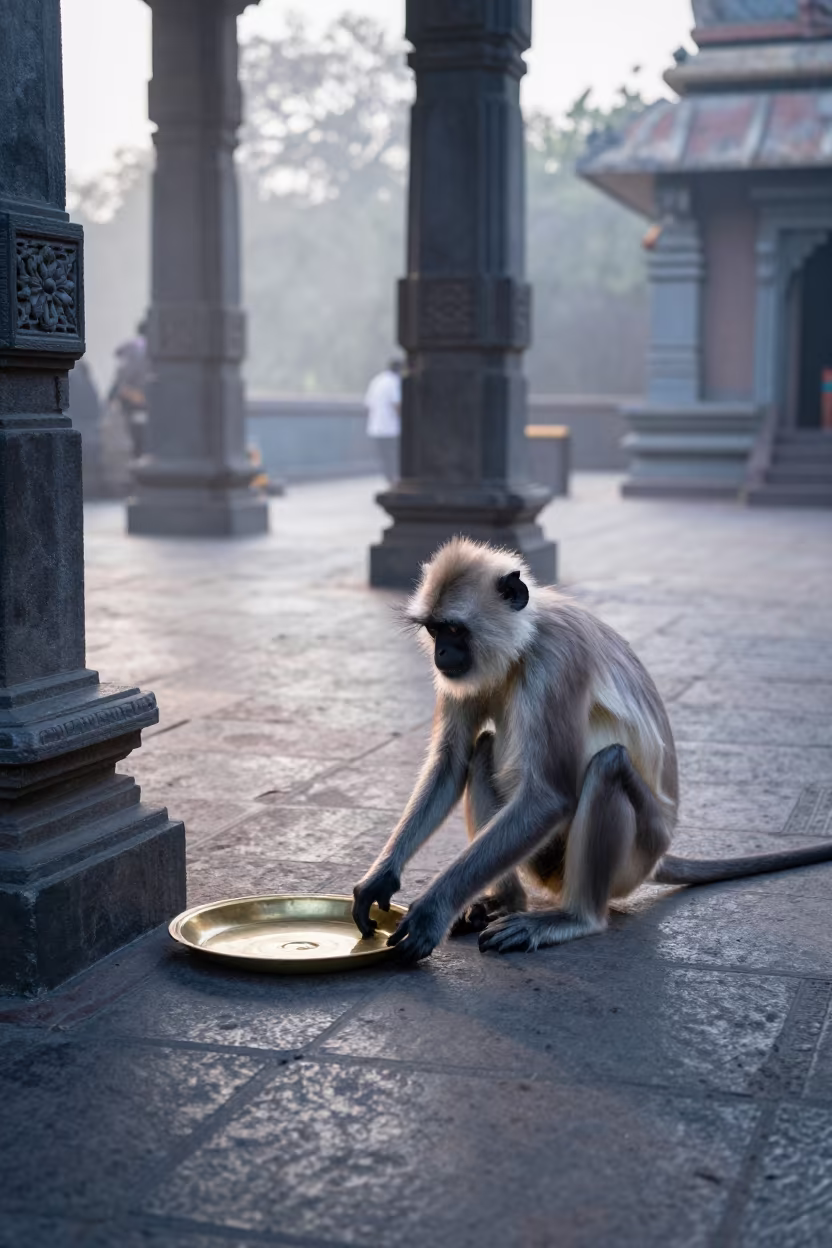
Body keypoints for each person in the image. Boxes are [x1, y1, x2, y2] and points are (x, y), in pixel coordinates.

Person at [108, 317, 149, 457]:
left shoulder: (133, 348)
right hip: (138, 402)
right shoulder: (139, 349)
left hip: (136, 402)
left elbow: (120, 380)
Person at [364, 357, 403, 484]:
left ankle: (390, 480)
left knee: (385, 457)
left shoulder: (377, 380)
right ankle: (395, 481)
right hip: (392, 428)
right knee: (395, 457)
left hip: (376, 426)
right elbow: (397, 405)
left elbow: (368, 404)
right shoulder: (394, 382)